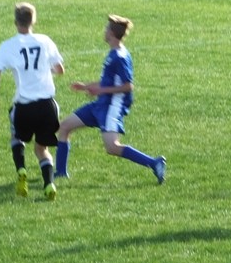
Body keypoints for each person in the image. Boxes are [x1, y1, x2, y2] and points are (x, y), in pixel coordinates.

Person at [55, 14, 166, 185]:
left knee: (112, 147)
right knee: (64, 127)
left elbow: (128, 86)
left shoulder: (120, 57)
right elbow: (109, 81)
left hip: (112, 107)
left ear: (112, 33)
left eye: (107, 28)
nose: (104, 31)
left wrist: (101, 90)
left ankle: (154, 163)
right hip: (100, 104)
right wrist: (86, 86)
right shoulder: (113, 53)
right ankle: (61, 173)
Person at [0, 3, 65, 201]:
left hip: (24, 106)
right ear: (33, 21)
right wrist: (46, 69)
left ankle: (21, 169)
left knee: (16, 137)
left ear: (15, 22)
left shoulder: (7, 46)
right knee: (42, 149)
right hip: (47, 106)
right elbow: (59, 70)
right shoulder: (45, 41)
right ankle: (49, 184)